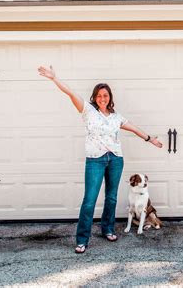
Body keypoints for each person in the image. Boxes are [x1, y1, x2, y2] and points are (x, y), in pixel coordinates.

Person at [38, 65, 163, 254]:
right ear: (94, 98)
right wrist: (54, 78)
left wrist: (150, 139)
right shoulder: (87, 110)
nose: (102, 98)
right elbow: (71, 93)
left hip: (115, 159)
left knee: (111, 198)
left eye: (105, 95)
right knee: (89, 200)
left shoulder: (116, 117)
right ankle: (82, 240)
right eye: (99, 96)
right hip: (95, 160)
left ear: (110, 98)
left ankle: (108, 229)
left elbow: (135, 128)